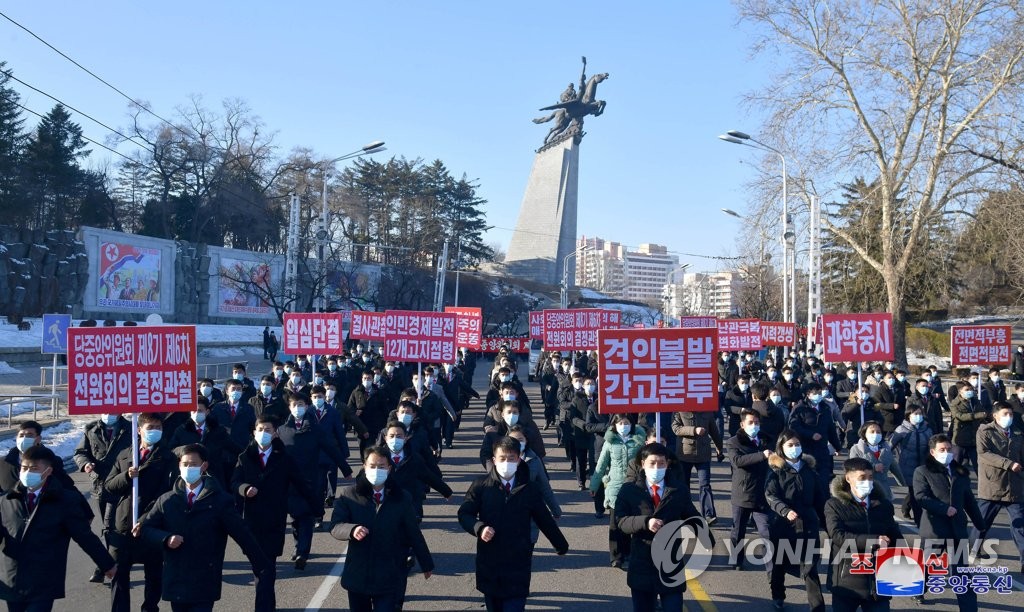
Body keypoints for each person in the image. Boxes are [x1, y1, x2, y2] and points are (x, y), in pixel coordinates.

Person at [140, 443, 271, 612]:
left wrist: (261, 564)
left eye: (193, 464)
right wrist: (165, 539)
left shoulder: (220, 501)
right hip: (177, 578)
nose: (188, 468)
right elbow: (147, 529)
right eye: (185, 464)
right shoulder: (167, 500)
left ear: (204, 466)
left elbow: (242, 533)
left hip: (204, 579)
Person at [458, 436, 568, 612]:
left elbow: (544, 519)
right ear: (494, 460)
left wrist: (560, 545)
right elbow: (464, 513)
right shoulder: (481, 486)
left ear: (518, 460)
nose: (506, 463)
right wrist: (479, 528)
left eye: (511, 458)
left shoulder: (530, 489)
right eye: (502, 458)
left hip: (518, 562)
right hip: (490, 564)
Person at [0, 446, 116, 612]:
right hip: (13, 579)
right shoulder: (6, 500)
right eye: (24, 468)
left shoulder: (65, 501)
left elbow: (84, 536)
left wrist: (107, 564)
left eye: (34, 469)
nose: (27, 473)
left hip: (44, 579)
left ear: (47, 471)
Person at [331, 446, 435, 612]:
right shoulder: (349, 495)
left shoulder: (401, 498)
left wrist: (426, 563)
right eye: (372, 466)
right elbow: (335, 525)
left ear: (389, 468)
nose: (376, 470)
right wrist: (352, 529)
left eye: (381, 467)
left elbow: (413, 532)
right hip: (358, 573)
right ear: (364, 466)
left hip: (388, 573)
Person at [232, 414, 318, 612]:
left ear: (275, 433)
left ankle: (264, 607)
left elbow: (301, 483)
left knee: (267, 568)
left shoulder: (284, 458)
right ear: (254, 432)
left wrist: (316, 508)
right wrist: (244, 488)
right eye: (260, 429)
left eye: (268, 430)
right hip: (252, 520)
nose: (263, 433)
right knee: (259, 569)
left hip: (274, 520)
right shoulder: (244, 457)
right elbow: (234, 482)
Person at [615, 442, 703, 612]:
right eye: (652, 463)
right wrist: (645, 522)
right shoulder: (629, 490)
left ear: (667, 464)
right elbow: (621, 521)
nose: (657, 468)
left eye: (661, 463)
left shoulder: (678, 490)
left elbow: (691, 514)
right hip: (642, 561)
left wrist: (705, 536)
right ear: (642, 464)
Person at [104, 412, 178, 612]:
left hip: (152, 526)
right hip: (123, 525)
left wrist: (145, 521)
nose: (154, 432)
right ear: (139, 430)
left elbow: (168, 493)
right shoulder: (125, 454)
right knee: (119, 577)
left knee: (154, 576)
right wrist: (126, 477)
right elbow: (109, 486)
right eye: (150, 428)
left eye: (158, 428)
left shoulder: (168, 457)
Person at [913, 434, 985, 608]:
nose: (947, 452)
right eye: (942, 450)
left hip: (957, 530)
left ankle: (968, 608)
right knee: (929, 567)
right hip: (934, 531)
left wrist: (980, 524)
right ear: (933, 452)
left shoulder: (960, 472)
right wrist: (944, 509)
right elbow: (921, 497)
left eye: (948, 449)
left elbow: (969, 499)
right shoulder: (922, 471)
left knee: (961, 574)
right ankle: (918, 589)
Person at [824, 457, 904, 612]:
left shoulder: (884, 505)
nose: (867, 482)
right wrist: (873, 541)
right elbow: (838, 535)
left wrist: (908, 558)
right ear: (848, 478)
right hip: (847, 580)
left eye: (870, 477)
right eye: (862, 477)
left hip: (878, 581)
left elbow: (893, 533)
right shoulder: (834, 505)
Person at [765, 429, 826, 612]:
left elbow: (820, 499)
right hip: (783, 524)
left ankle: (817, 606)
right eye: (790, 445)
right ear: (781, 448)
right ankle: (778, 596)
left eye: (797, 444)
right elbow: (770, 495)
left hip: (807, 524)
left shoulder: (809, 471)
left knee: (810, 566)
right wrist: (785, 510)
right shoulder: (776, 472)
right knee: (779, 563)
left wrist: (828, 522)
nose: (794, 448)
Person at [73, 413, 132, 583]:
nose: (109, 413)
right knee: (110, 527)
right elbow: (80, 452)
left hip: (121, 484)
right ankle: (113, 558)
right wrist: (85, 464)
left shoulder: (130, 428)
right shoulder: (91, 429)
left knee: (109, 525)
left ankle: (105, 564)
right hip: (99, 484)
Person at [968, 401, 1024, 571]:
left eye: (1011, 414)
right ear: (995, 416)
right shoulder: (985, 431)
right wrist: (1008, 464)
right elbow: (984, 453)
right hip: (993, 486)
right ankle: (972, 549)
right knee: (982, 522)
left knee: (1020, 525)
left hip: (1014, 486)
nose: (1009, 417)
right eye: (1005, 414)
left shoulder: (1018, 432)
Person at [590, 415, 646, 569]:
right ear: (614, 425)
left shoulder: (639, 441)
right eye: (620, 423)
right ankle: (616, 556)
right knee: (615, 524)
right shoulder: (610, 442)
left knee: (631, 523)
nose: (623, 426)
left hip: (634, 488)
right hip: (614, 487)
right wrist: (594, 486)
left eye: (626, 423)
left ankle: (628, 554)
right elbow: (601, 465)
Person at [726, 409, 775, 573]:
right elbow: (737, 461)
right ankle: (736, 559)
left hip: (763, 494)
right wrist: (762, 455)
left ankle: (772, 569)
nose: (754, 426)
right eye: (751, 422)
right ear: (742, 424)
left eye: (757, 423)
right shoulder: (734, 442)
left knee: (766, 531)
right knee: (738, 531)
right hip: (743, 493)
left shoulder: (766, 439)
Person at [506, 425, 561, 546]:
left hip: (528, 516)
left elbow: (544, 487)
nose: (516, 443)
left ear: (526, 440)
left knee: (526, 553)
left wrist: (555, 510)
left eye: (520, 440)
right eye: (513, 440)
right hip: (506, 516)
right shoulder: (502, 461)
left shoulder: (534, 460)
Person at [168, 398, 239, 488]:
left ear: (207, 411)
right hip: (189, 476)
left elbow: (233, 448)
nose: (196, 413)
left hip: (214, 476)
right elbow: (172, 449)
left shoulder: (218, 430)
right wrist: (186, 449)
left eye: (200, 411)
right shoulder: (181, 430)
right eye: (193, 411)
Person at [788, 384, 840, 496]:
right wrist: (810, 434)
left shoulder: (825, 408)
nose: (818, 396)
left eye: (819, 393)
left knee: (824, 480)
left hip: (822, 450)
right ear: (808, 395)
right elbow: (793, 427)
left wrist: (837, 446)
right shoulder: (799, 409)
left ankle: (824, 505)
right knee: (809, 481)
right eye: (815, 393)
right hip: (806, 450)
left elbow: (831, 429)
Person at [889, 406, 933, 524]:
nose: (918, 416)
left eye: (920, 413)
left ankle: (905, 508)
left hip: (924, 466)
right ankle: (920, 521)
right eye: (915, 414)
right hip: (908, 466)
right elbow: (889, 446)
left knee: (919, 491)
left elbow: (932, 447)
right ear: (909, 415)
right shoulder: (901, 430)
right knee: (915, 494)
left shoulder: (927, 430)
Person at [847, 421, 901, 501]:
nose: (875, 434)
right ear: (864, 433)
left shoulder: (886, 449)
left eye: (878, 432)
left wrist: (903, 482)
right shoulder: (856, 449)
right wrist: (873, 468)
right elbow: (853, 469)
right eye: (872, 432)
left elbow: (894, 467)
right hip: (865, 490)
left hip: (883, 490)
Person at [949, 380, 989, 471]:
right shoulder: (955, 404)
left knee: (979, 465)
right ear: (960, 391)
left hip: (974, 438)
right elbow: (960, 416)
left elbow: (983, 412)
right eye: (967, 390)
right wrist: (978, 415)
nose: (970, 391)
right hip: (960, 439)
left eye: (971, 389)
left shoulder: (975, 401)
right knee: (956, 464)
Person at [841, 386, 882, 450]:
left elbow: (880, 418)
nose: (864, 393)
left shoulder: (873, 403)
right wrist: (857, 404)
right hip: (854, 433)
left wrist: (873, 426)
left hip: (869, 435)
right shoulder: (849, 402)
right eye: (862, 391)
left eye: (866, 392)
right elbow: (845, 415)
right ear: (856, 393)